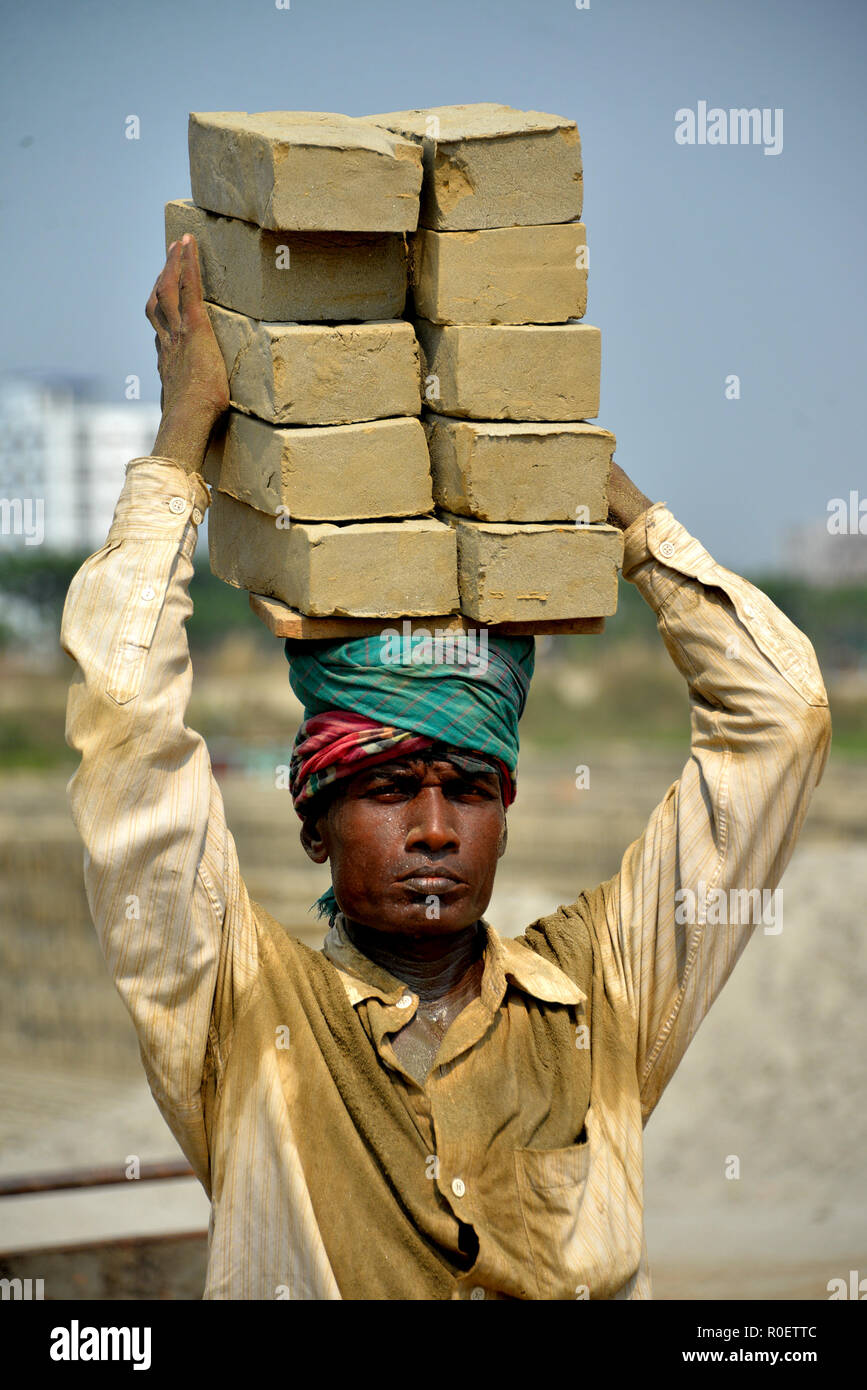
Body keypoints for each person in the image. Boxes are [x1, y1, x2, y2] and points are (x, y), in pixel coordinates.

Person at [61, 234, 831, 1300]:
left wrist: (609, 505)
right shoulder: (239, 1013)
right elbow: (129, 734)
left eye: (468, 789)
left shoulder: (598, 999)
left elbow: (783, 720)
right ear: (314, 818)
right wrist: (184, 441)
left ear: (506, 808)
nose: (435, 828)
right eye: (388, 788)